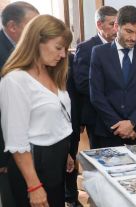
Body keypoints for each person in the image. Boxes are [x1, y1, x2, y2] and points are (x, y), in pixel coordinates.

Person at [0, 15, 74, 207]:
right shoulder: (15, 80)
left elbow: (56, 116)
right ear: (36, 41)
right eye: (59, 48)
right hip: (34, 165)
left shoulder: (52, 72)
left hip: (56, 159)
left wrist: (64, 153)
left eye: (65, 49)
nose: (63, 55)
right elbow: (16, 142)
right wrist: (33, 186)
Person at [89, 5, 136, 148]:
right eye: (129, 31)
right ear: (116, 26)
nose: (134, 38)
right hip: (109, 133)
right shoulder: (99, 53)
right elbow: (96, 95)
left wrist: (132, 123)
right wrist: (120, 127)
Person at [0, 2, 39, 207]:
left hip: (31, 144)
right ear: (13, 27)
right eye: (32, 25)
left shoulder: (28, 49)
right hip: (7, 152)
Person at [73, 6, 118, 149]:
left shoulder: (121, 47)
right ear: (99, 24)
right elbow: (82, 84)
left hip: (119, 114)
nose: (116, 29)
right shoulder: (86, 48)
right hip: (96, 116)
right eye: (112, 24)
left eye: (118, 24)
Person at [66, 53, 83, 207]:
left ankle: (72, 197)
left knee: (71, 158)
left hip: (73, 117)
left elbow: (77, 90)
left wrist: (80, 119)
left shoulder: (70, 58)